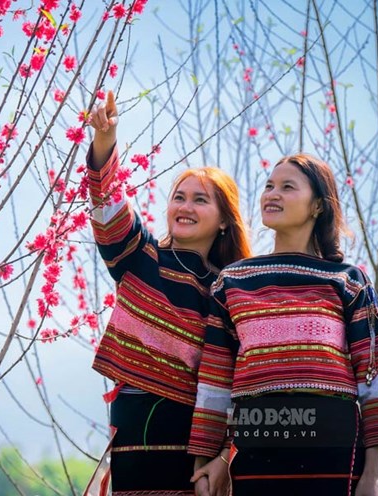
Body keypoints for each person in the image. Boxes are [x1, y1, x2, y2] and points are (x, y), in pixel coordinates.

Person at [188, 153, 378, 496]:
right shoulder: (233, 282)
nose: (272, 194)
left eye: (287, 187)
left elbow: (374, 378)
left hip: (333, 449)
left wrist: (372, 476)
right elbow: (215, 379)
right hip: (255, 444)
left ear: (318, 205)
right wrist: (208, 461)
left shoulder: (348, 281)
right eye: (269, 186)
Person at [86, 90, 251, 495]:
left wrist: (223, 454)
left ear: (225, 221)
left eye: (200, 200)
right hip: (130, 426)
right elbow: (107, 204)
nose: (185, 207)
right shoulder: (141, 256)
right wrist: (105, 139)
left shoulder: (230, 290)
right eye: (179, 197)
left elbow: (240, 378)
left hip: (193, 440)